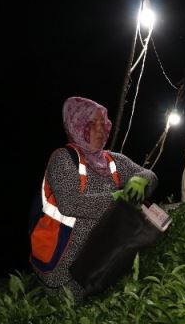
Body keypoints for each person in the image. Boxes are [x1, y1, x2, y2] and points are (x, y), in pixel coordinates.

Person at [29, 96, 157, 300]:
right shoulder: (63, 159)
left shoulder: (113, 160)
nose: (100, 129)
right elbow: (72, 203)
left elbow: (149, 174)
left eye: (102, 122)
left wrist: (141, 180)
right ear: (77, 125)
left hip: (99, 261)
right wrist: (116, 198)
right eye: (92, 123)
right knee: (72, 313)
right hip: (64, 267)